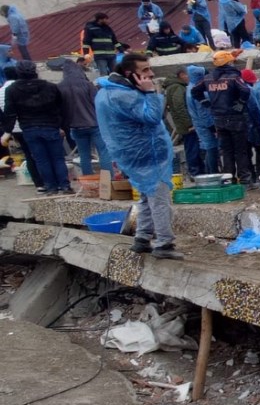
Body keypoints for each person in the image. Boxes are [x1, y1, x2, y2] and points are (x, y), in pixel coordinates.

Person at [96, 52, 181, 260]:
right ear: (129, 73)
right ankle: (164, 243)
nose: (150, 74)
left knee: (145, 196)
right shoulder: (124, 95)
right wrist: (150, 93)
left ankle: (142, 238)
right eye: (144, 70)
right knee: (159, 199)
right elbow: (152, 117)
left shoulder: (109, 91)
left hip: (135, 156)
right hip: (147, 155)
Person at [1, 61, 69, 193]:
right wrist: (62, 126)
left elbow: (10, 112)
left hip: (29, 128)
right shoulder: (50, 86)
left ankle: (50, 187)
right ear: (35, 71)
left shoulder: (12, 90)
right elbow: (60, 107)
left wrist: (7, 132)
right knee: (58, 158)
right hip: (51, 126)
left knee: (41, 160)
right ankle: (65, 185)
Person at [192, 50, 253, 185]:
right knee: (240, 151)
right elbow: (245, 90)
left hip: (218, 119)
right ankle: (245, 181)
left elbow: (195, 91)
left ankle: (228, 180)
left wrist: (205, 102)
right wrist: (241, 103)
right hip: (235, 117)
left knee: (226, 151)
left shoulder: (208, 78)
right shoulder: (233, 77)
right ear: (228, 62)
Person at [59, 56, 112, 177]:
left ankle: (88, 180)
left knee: (84, 155)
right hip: (94, 124)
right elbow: (98, 103)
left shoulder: (60, 87)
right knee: (103, 152)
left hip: (75, 126)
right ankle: (109, 180)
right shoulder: (87, 85)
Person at [0, 65, 43, 189]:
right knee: (40, 154)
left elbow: (3, 116)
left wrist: (7, 131)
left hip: (14, 130)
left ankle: (38, 184)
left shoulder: (1, 91)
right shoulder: (22, 88)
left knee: (28, 155)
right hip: (31, 125)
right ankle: (48, 180)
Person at [164, 66, 201, 177]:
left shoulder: (175, 87)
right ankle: (195, 173)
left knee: (192, 147)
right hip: (187, 126)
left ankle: (196, 172)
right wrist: (189, 124)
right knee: (192, 148)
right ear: (182, 75)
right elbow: (179, 106)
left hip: (184, 124)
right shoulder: (177, 88)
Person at [185, 65, 218, 174]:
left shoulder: (190, 88)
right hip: (205, 124)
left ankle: (210, 172)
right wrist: (212, 127)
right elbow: (204, 112)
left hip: (198, 122)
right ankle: (213, 173)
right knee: (212, 149)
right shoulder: (200, 91)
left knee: (209, 148)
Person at [242, 68, 260, 178]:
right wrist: (259, 124)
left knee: (245, 153)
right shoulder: (249, 90)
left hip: (240, 126)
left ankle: (250, 175)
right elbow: (254, 108)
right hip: (252, 125)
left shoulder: (233, 88)